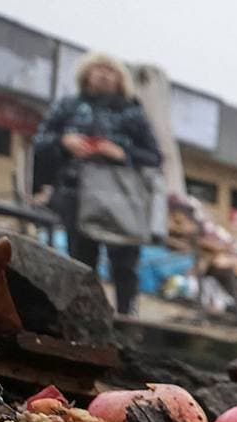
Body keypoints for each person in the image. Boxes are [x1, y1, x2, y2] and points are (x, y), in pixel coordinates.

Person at [33, 51, 162, 315]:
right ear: (86, 74)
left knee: (124, 264)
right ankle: (81, 316)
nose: (103, 74)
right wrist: (64, 142)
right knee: (80, 261)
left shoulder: (133, 113)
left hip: (123, 200)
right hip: (76, 195)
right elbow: (40, 141)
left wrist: (122, 153)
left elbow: (154, 157)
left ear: (120, 78)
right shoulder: (68, 107)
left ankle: (127, 317)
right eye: (98, 68)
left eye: (110, 70)